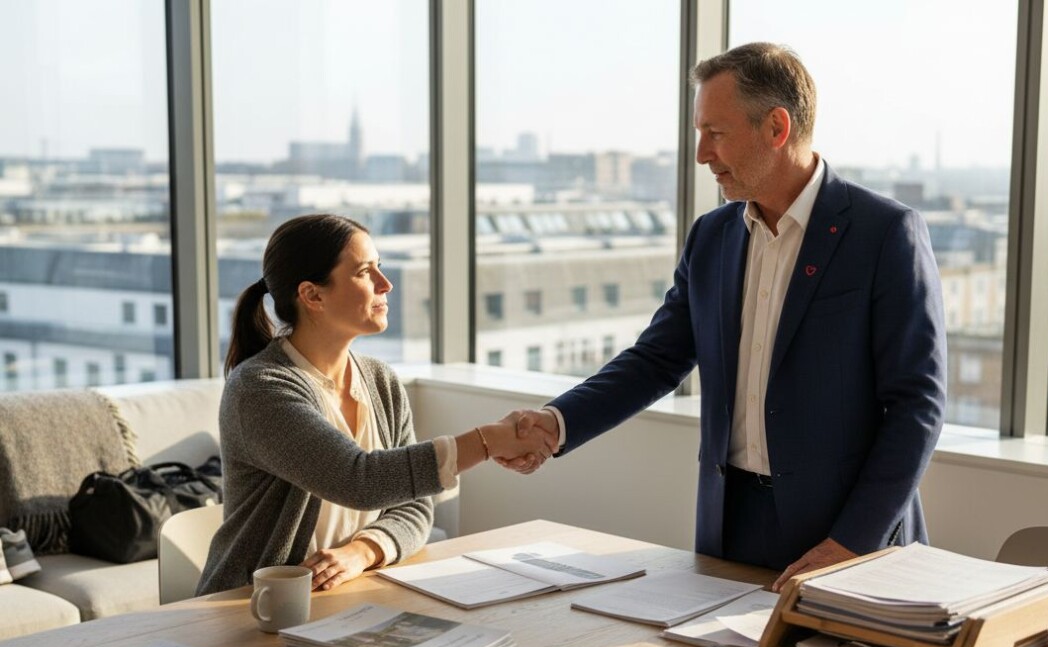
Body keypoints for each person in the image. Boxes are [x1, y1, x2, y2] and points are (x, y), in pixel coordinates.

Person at [505, 42, 947, 591]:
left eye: (715, 133)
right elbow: (656, 360)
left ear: (776, 128)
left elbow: (917, 405)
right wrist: (557, 423)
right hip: (729, 525)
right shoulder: (711, 237)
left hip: (848, 536)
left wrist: (852, 542)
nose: (700, 154)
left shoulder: (884, 234)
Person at [196, 214, 550, 595]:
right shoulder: (259, 388)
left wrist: (361, 552)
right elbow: (359, 480)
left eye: (379, 267)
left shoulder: (380, 380)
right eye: (366, 272)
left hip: (347, 594)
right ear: (313, 295)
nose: (386, 284)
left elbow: (414, 507)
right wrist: (487, 441)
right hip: (251, 604)